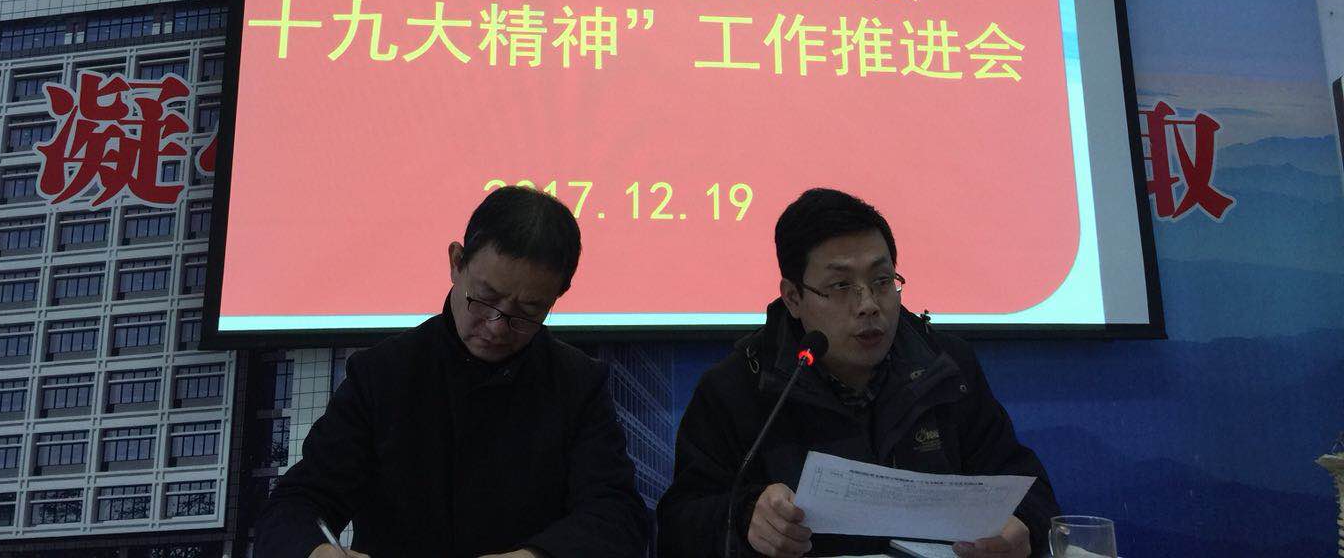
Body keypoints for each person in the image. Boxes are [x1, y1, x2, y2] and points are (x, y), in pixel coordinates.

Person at [657, 188, 1060, 558]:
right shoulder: (739, 387)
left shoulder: (946, 367)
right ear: (793, 298)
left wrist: (1022, 527)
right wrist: (746, 517)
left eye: (882, 281)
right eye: (841, 286)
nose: (868, 304)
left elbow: (1030, 490)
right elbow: (679, 526)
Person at [255, 185, 649, 558]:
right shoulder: (383, 374)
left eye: (528, 312)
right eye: (486, 298)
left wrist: (538, 555)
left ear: (556, 298)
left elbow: (616, 515)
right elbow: (297, 504)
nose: (497, 327)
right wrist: (317, 550)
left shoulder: (577, 384)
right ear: (456, 263)